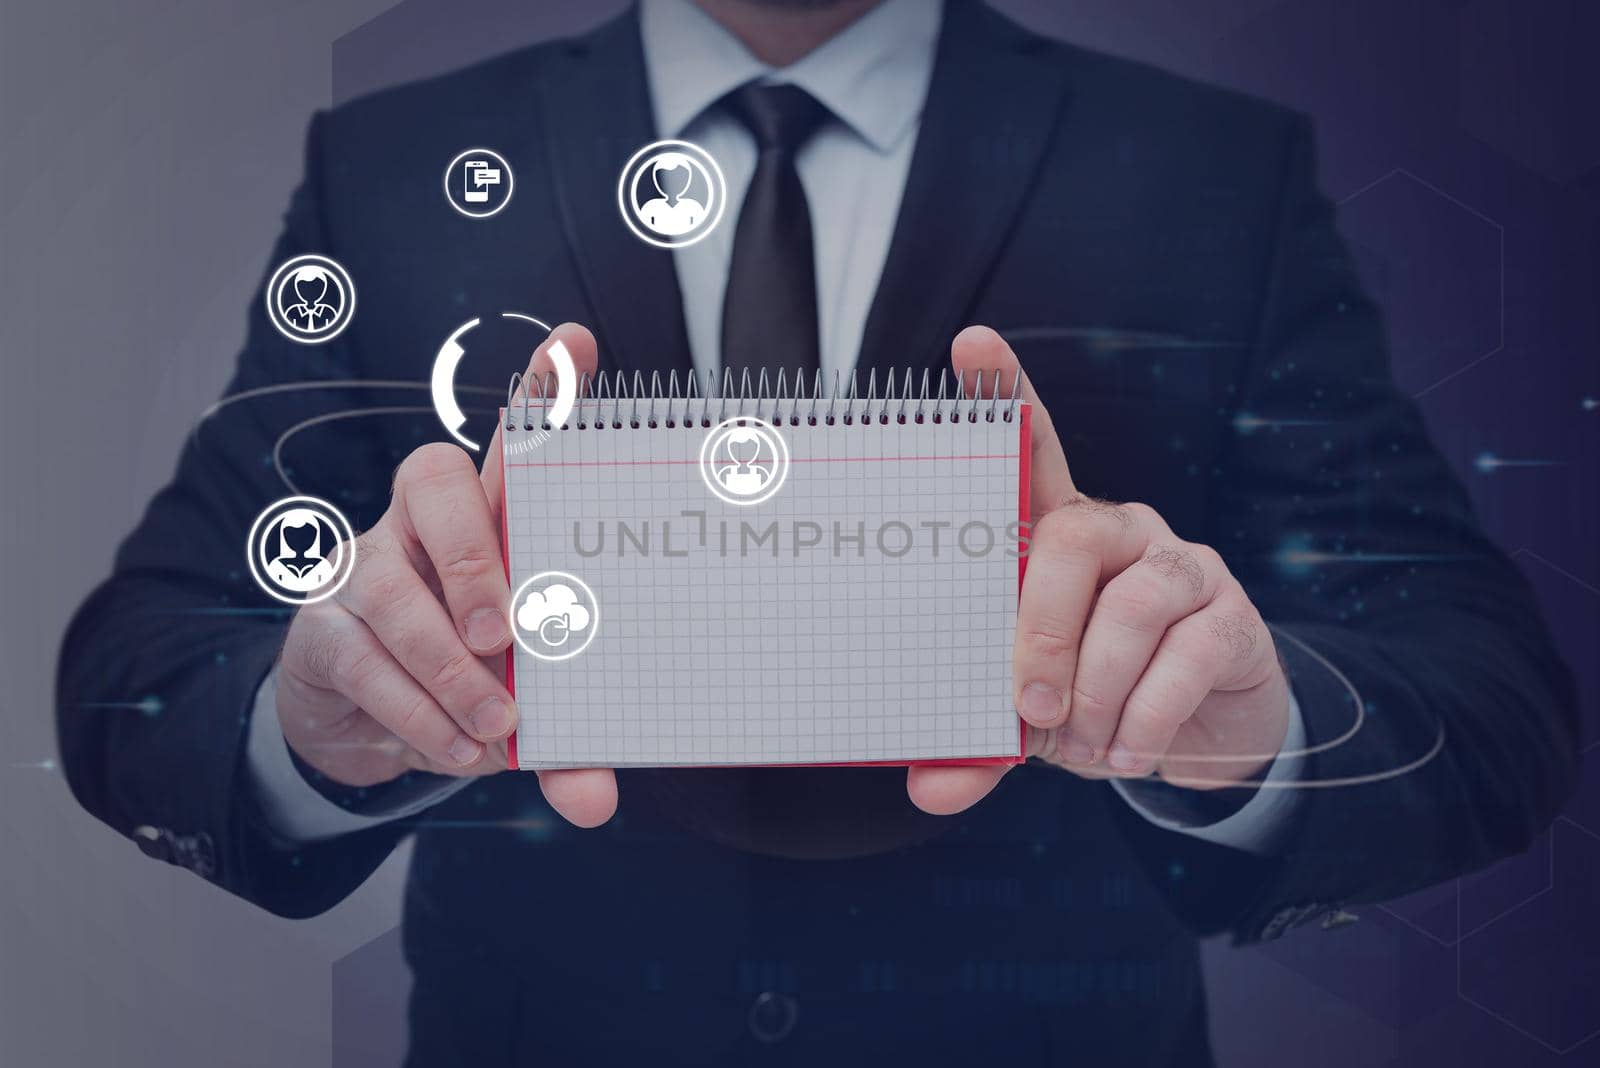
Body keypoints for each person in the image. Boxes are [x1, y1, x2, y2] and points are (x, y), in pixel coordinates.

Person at [56, 0, 1577, 1064]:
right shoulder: (390, 171)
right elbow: (141, 669)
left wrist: (1264, 730)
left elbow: (1490, 694)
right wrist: (311, 724)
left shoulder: (1210, 173)